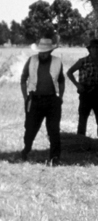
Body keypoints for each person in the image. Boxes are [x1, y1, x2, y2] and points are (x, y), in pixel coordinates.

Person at [20, 32, 67, 165]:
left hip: (52, 101)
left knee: (54, 130)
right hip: (34, 100)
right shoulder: (31, 60)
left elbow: (62, 81)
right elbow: (23, 79)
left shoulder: (57, 61)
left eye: (46, 52)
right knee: (30, 128)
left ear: (50, 51)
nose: (43, 54)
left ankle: (55, 157)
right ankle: (26, 149)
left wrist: (60, 97)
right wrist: (25, 97)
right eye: (41, 52)